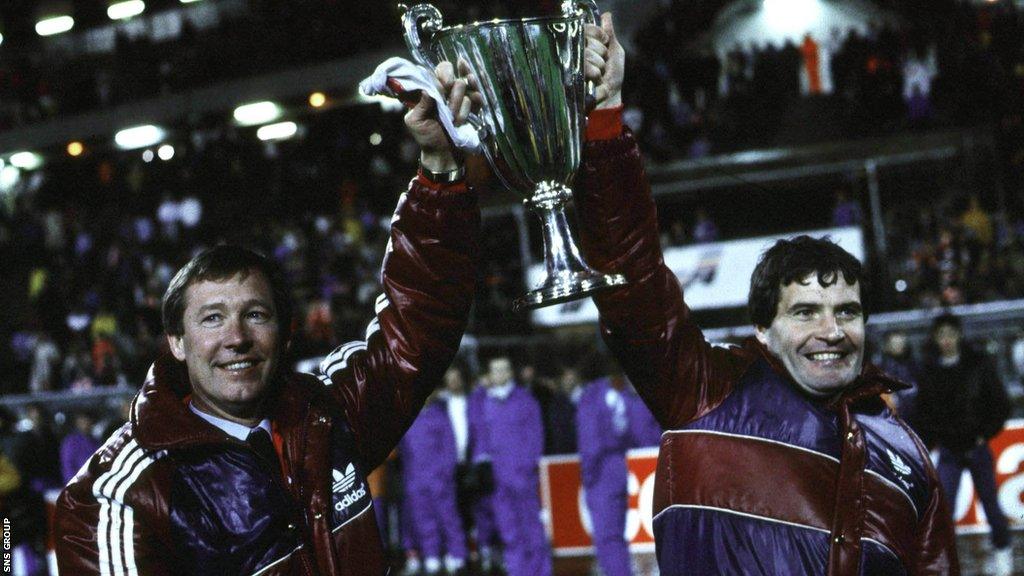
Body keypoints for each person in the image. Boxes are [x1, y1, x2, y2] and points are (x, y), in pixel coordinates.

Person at [53, 62, 482, 575]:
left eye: (255, 315)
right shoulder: (117, 496)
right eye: (211, 319)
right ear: (177, 342)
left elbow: (420, 328)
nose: (236, 338)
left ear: (286, 333)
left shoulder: (324, 414)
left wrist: (437, 167)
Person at [575, 13, 958, 574]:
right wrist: (606, 121)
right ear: (763, 328)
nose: (832, 330)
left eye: (847, 311)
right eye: (805, 312)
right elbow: (629, 276)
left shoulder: (904, 450)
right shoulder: (706, 391)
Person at [914, 313, 1013, 576]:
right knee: (944, 509)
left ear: (958, 335)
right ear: (936, 339)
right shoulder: (929, 371)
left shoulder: (978, 365)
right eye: (941, 335)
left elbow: (1001, 404)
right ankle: (946, 562)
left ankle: (1003, 555)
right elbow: (923, 412)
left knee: (990, 504)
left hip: (976, 447)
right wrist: (930, 441)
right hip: (949, 450)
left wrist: (985, 433)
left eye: (950, 334)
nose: (946, 340)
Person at [469, 356, 552, 576]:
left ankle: (541, 572)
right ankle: (518, 571)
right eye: (495, 370)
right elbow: (478, 432)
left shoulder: (525, 401)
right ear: (489, 374)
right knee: (509, 531)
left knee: (531, 529)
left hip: (522, 476)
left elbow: (536, 437)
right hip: (498, 480)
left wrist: (528, 466)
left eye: (504, 369)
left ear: (511, 373)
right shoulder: (485, 403)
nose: (500, 374)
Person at [400, 389, 468, 574]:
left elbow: (449, 446)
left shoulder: (439, 416)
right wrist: (410, 479)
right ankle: (432, 555)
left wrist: (445, 473)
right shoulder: (407, 420)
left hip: (439, 479)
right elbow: (405, 453)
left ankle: (457, 555)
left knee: (448, 518)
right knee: (424, 520)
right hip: (416, 479)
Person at [576, 374, 636, 576]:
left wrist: (588, 475)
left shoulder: (592, 396)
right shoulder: (617, 394)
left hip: (601, 471)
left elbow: (590, 441)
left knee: (606, 537)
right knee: (616, 536)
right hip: (618, 466)